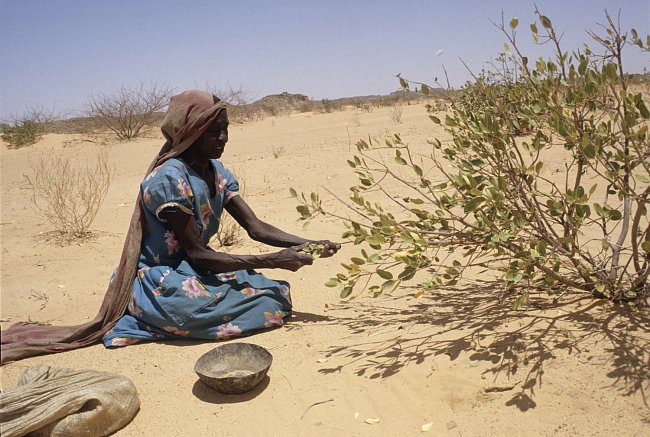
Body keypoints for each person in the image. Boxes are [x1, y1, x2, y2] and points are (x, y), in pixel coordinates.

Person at [0, 90, 339, 363]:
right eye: (212, 132)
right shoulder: (169, 179)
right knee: (265, 304)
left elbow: (255, 226)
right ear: (190, 133)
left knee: (274, 293)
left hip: (196, 271)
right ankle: (143, 315)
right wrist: (272, 260)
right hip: (162, 279)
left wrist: (308, 244)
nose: (222, 138)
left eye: (225, 129)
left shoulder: (216, 171)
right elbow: (198, 254)